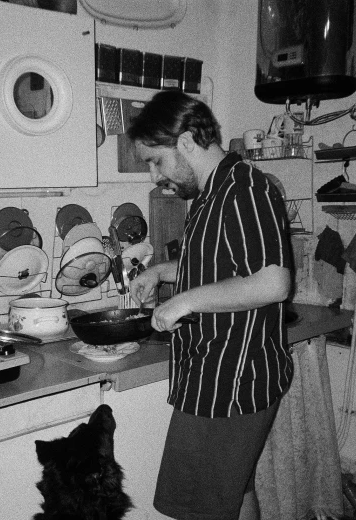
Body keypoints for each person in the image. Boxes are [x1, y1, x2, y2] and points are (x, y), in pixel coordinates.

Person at [127, 90, 294, 520]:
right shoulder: (209, 195)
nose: (153, 176)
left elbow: (273, 281)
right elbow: (222, 264)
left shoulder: (244, 189)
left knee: (199, 509)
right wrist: (163, 272)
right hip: (214, 374)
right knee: (233, 494)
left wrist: (182, 302)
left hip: (232, 379)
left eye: (155, 160)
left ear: (185, 143)